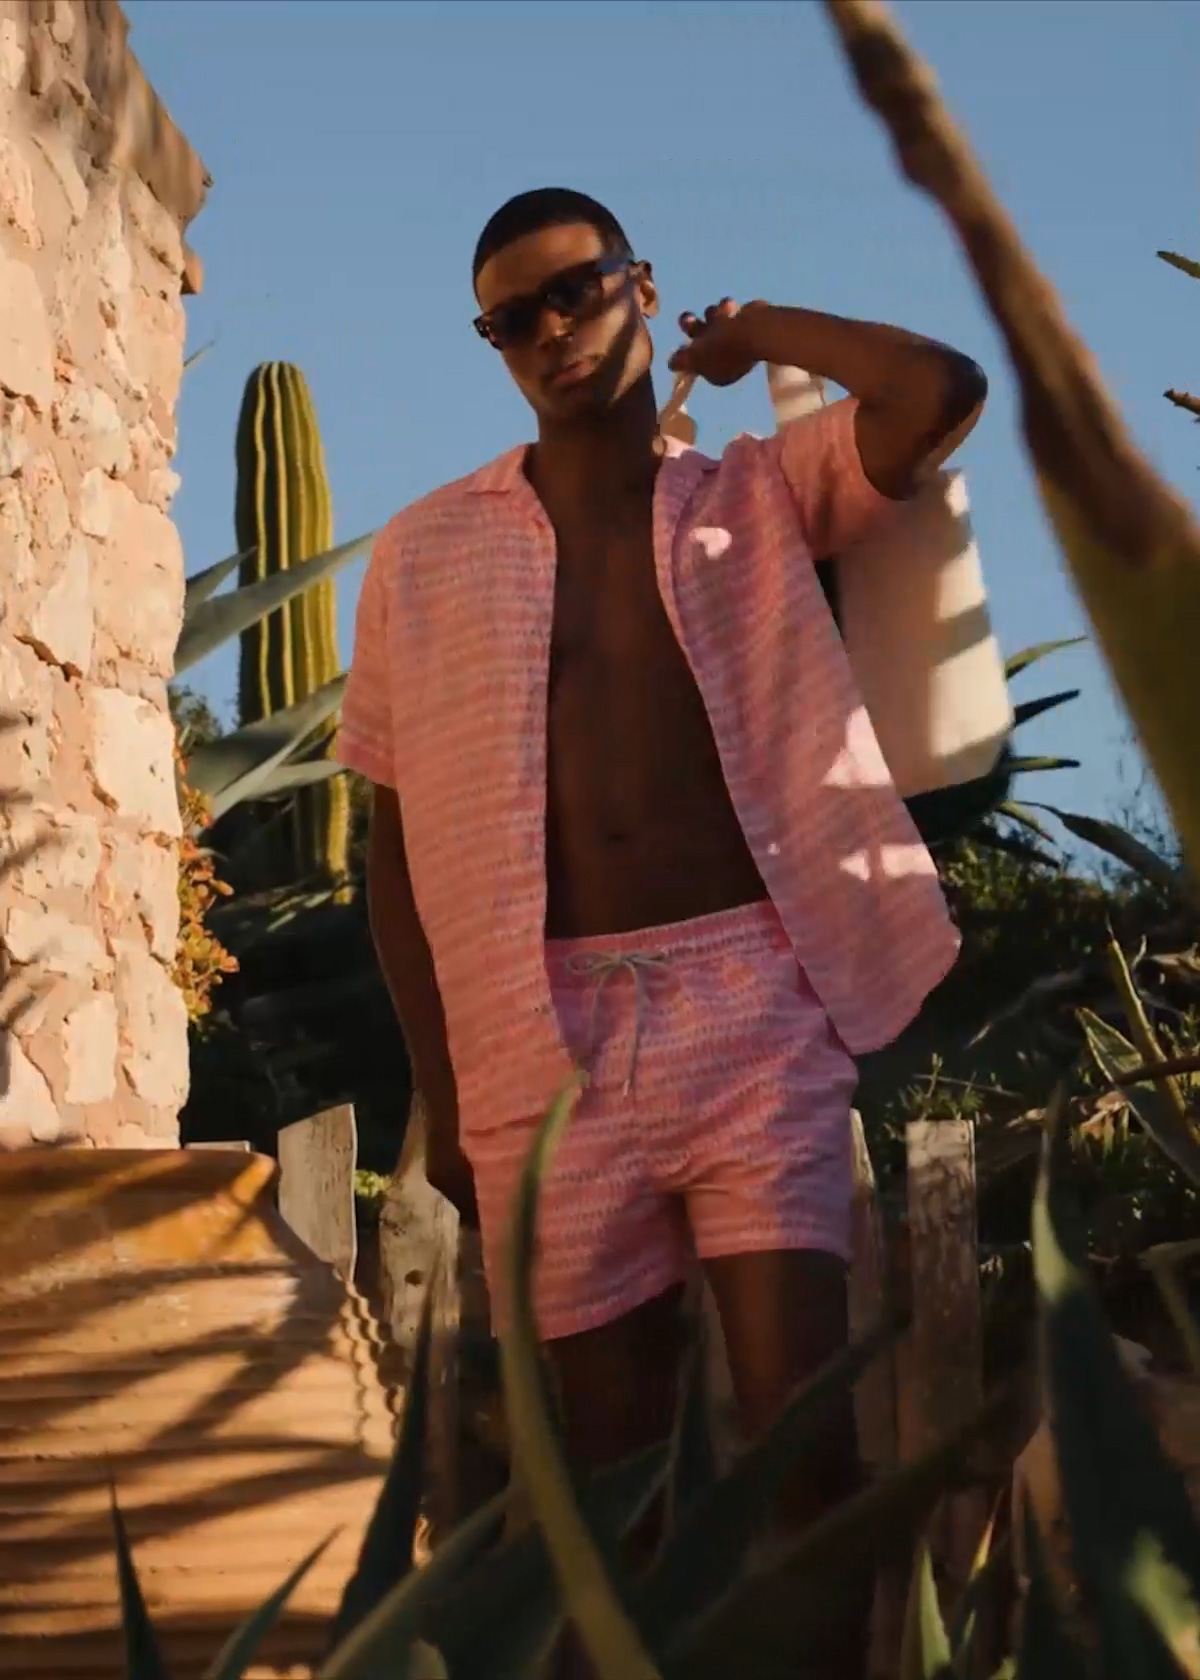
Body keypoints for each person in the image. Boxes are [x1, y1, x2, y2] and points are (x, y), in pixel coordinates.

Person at [337, 187, 987, 1671]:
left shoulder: (759, 494)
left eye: (579, 291)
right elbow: (390, 843)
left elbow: (940, 391)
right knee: (604, 1486)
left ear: (641, 286)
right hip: (532, 1029)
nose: (553, 331)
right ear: (494, 346)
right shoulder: (424, 552)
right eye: (515, 317)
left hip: (750, 995)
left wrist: (763, 336)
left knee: (803, 1442)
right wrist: (439, 1081)